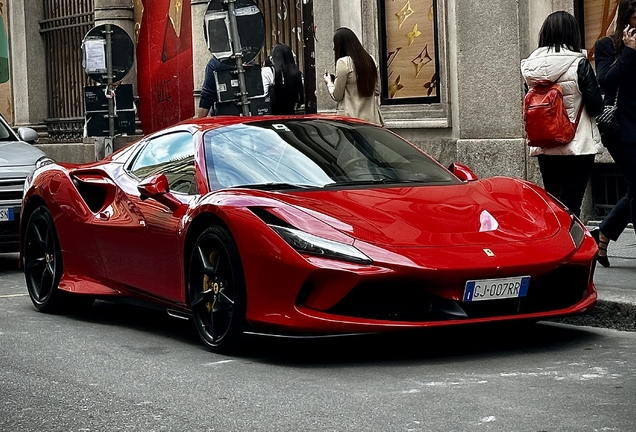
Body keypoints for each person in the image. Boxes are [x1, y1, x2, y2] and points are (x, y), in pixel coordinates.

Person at [520, 11, 604, 219]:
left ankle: (555, 247)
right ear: (572, 34)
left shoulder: (531, 67)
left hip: (545, 143)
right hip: (578, 145)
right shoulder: (579, 63)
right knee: (571, 206)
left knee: (555, 204)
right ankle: (571, 249)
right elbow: (595, 106)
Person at [591, 0, 636, 267]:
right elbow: (605, 82)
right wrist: (630, 53)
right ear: (626, 18)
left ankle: (603, 234)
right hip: (621, 129)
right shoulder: (608, 45)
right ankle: (604, 234)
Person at [323, 27, 384, 126]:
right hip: (372, 121)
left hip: (351, 121)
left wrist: (329, 82)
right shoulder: (371, 60)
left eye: (335, 44)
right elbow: (377, 90)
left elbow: (337, 95)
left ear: (340, 45)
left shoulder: (343, 62)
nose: (334, 48)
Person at [266, 43, 304, 115]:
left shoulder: (273, 72)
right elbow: (300, 95)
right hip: (291, 113)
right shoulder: (296, 73)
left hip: (275, 114)